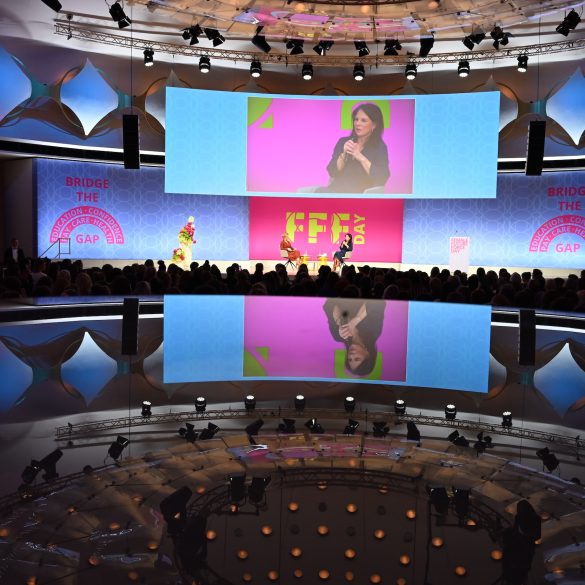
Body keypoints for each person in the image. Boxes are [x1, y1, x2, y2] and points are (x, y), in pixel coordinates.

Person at [317, 103, 390, 194]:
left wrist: (359, 156)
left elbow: (381, 177)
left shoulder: (379, 147)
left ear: (374, 125)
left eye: (363, 120)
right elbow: (332, 171)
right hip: (334, 192)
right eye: (356, 119)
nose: (357, 123)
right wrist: (343, 153)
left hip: (358, 197)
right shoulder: (343, 142)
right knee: (316, 193)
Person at [323, 298, 385, 377]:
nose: (351, 355)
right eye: (357, 358)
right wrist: (356, 320)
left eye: (349, 359)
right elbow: (379, 303)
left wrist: (339, 321)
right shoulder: (373, 332)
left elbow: (328, 304)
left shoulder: (337, 336)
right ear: (368, 354)